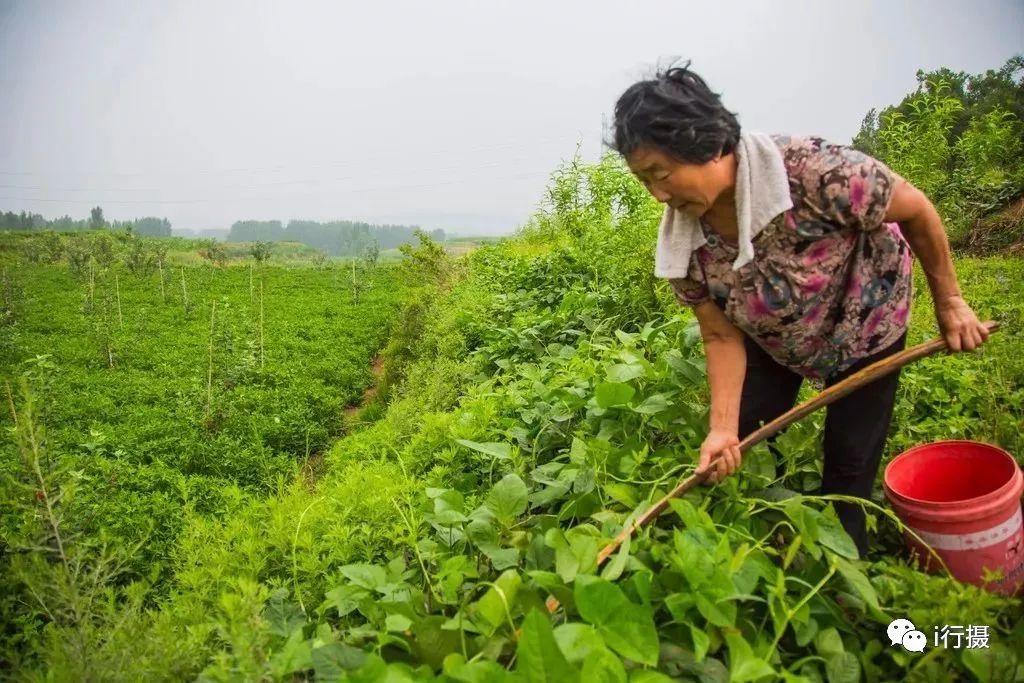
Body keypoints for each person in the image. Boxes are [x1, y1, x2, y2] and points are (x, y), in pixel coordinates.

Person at [609, 64, 990, 554]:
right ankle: (762, 533)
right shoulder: (686, 244)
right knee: (745, 436)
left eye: (661, 174)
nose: (658, 194)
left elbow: (916, 208)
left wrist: (951, 302)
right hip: (776, 336)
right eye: (644, 180)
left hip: (866, 321)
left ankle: (846, 573)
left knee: (849, 466)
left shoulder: (815, 172)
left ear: (705, 143)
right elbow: (722, 336)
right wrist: (721, 430)